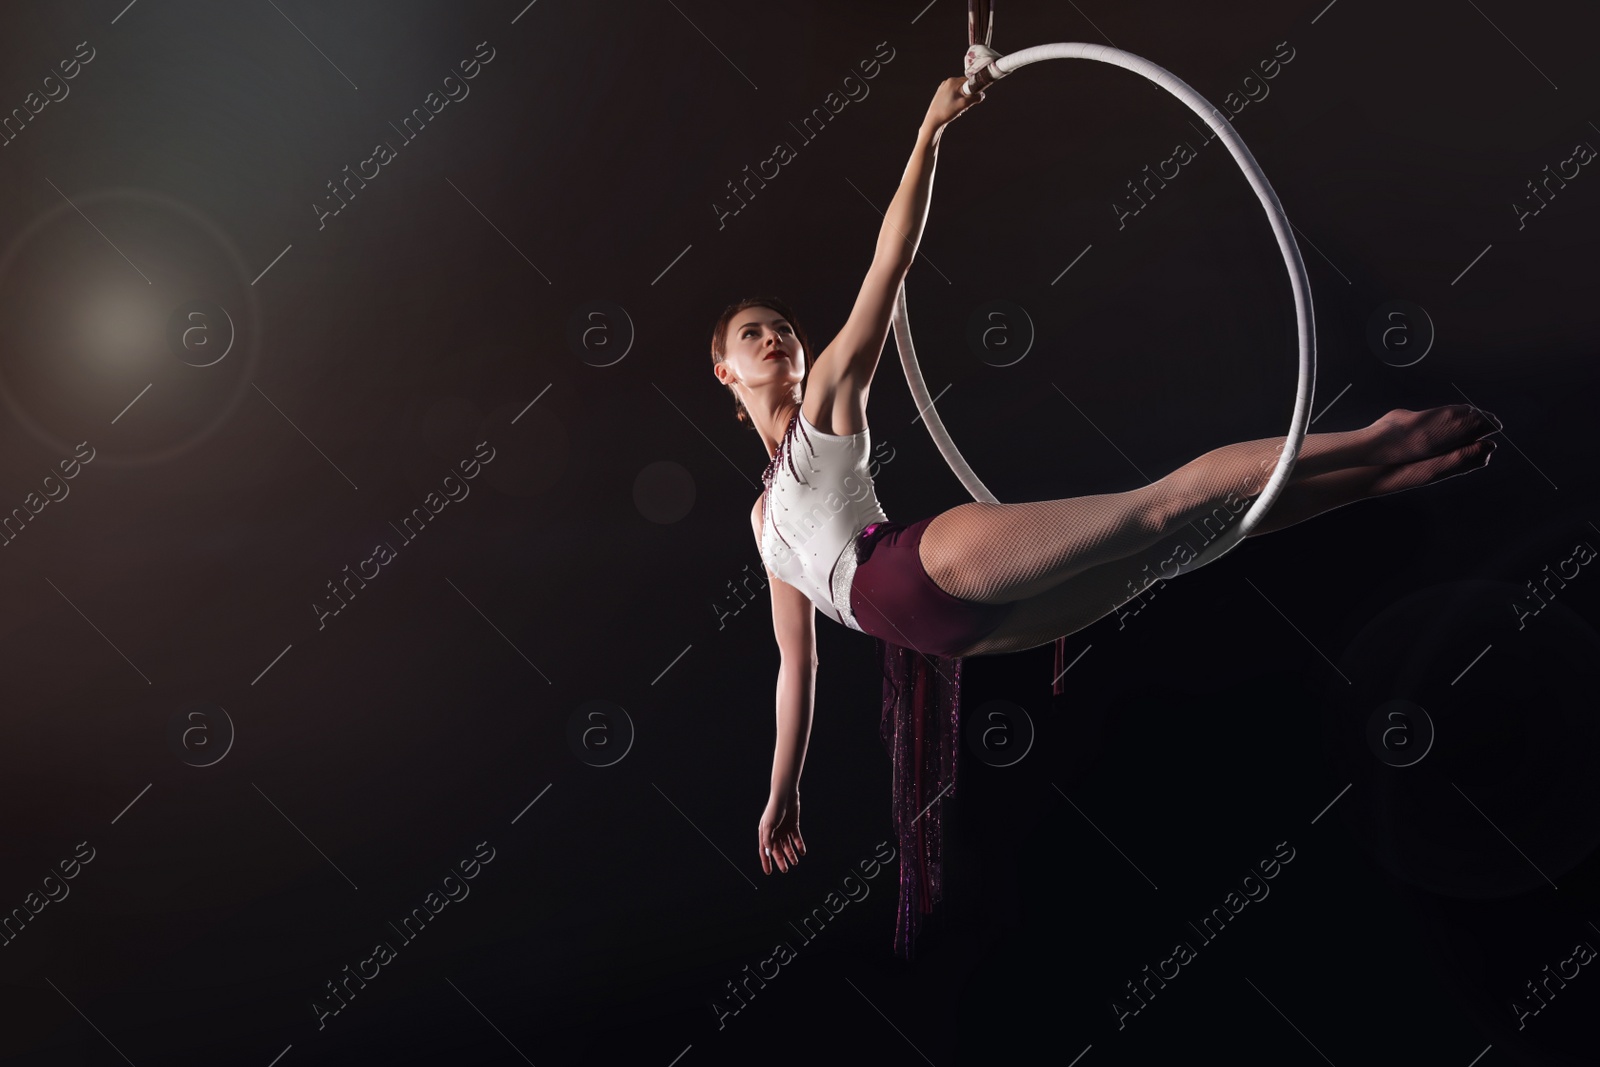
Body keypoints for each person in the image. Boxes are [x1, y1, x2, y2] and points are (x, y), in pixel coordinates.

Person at [708, 78, 1500, 957]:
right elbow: (796, 663)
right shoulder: (760, 518)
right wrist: (783, 788)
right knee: (1180, 550)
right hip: (945, 638)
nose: (777, 336)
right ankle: (1382, 480)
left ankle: (1377, 439)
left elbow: (886, 264)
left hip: (912, 567)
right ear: (727, 375)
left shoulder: (825, 401)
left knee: (1160, 507)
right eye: (754, 334)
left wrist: (929, 130)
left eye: (782, 325)